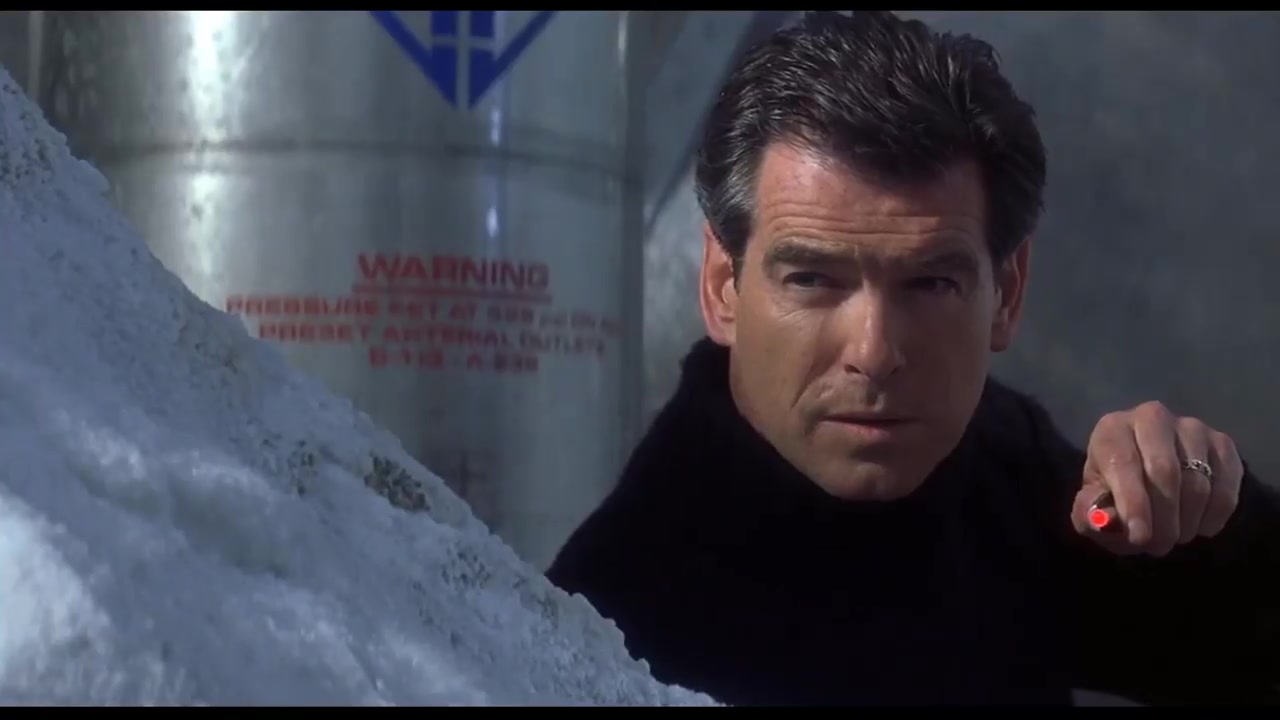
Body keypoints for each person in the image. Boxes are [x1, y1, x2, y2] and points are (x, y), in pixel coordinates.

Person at [546, 10, 1280, 707]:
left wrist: (1201, 509)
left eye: (931, 283)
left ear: (1006, 293)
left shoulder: (1002, 464)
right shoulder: (611, 624)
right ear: (721, 287)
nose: (875, 354)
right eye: (813, 279)